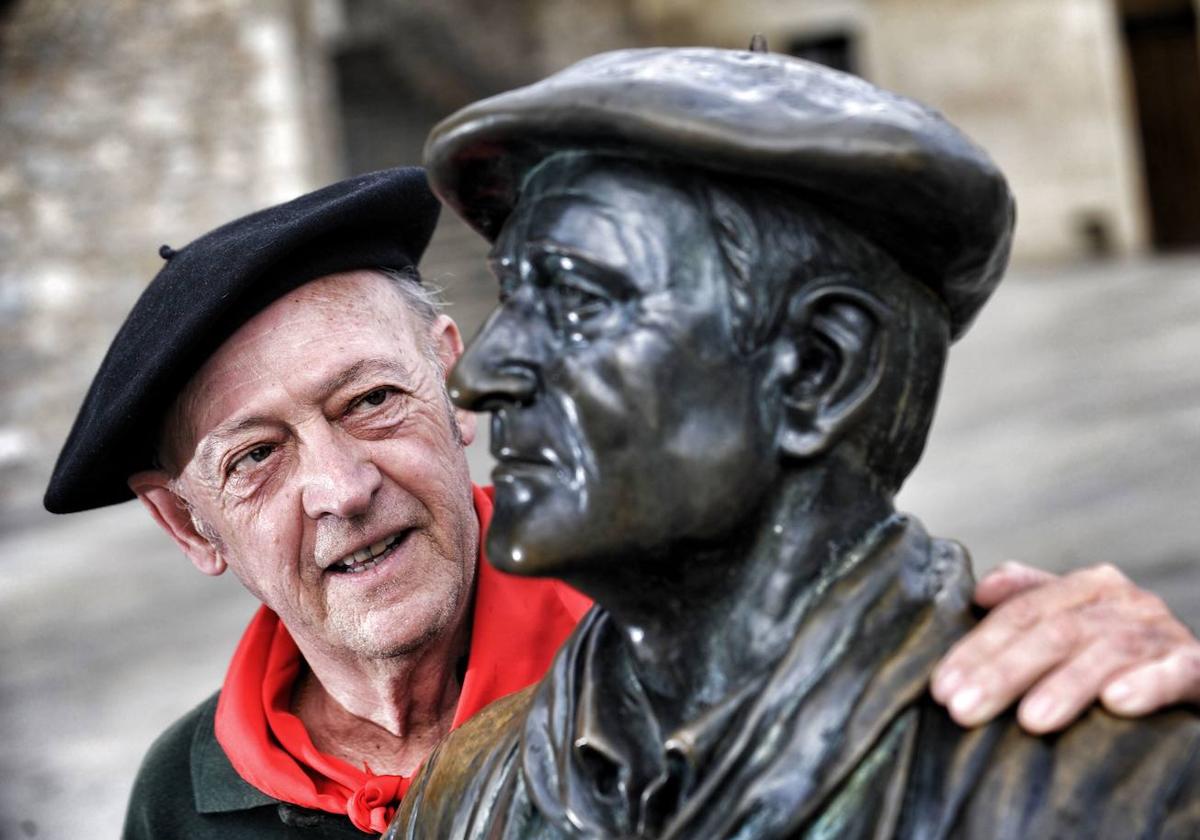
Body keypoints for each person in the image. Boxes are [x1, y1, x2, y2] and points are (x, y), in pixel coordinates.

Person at [43, 163, 1199, 839]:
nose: (342, 489)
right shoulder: (179, 798)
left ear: (458, 385)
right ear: (189, 524)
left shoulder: (681, 654)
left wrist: (1103, 671)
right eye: (255, 458)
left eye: (373, 401)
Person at [389, 47, 1200, 838]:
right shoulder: (463, 797)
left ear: (820, 368)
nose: (479, 376)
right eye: (509, 295)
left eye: (574, 302)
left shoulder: (1115, 792)